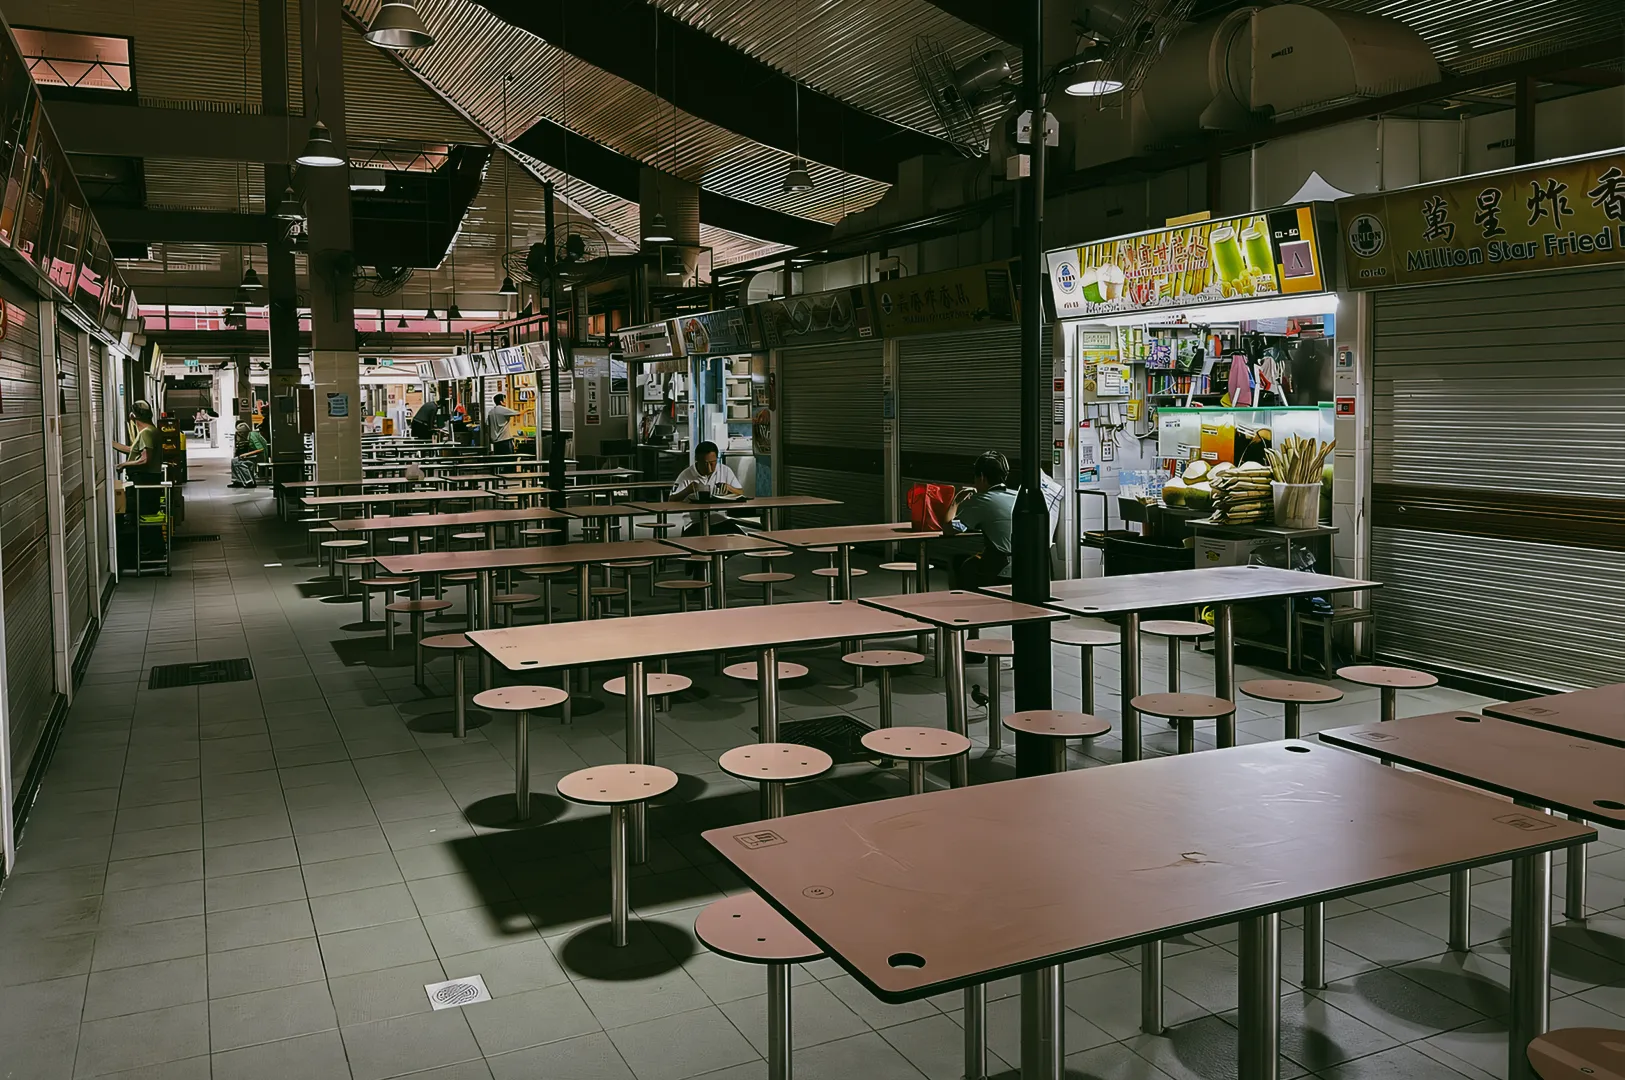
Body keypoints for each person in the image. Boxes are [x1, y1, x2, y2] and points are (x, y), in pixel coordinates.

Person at [943, 450, 1017, 589]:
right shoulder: (1017, 495)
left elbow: (949, 529)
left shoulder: (982, 501)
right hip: (1028, 567)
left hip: (1003, 569)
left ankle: (963, 605)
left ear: (982, 477)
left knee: (959, 563)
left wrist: (956, 501)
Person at [112, 401, 164, 543]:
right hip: (150, 478)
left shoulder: (146, 433)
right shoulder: (150, 430)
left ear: (132, 415)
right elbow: (133, 450)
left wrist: (123, 464)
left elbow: (144, 459)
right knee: (147, 514)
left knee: (143, 514)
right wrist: (111, 443)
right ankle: (153, 547)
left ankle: (149, 548)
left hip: (145, 480)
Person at [230, 421, 268, 488]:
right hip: (255, 454)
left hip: (260, 455)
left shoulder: (253, 435)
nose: (240, 434)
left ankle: (250, 481)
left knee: (241, 463)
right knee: (234, 460)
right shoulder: (249, 435)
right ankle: (237, 481)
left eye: (240, 432)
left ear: (244, 432)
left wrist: (246, 454)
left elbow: (261, 449)